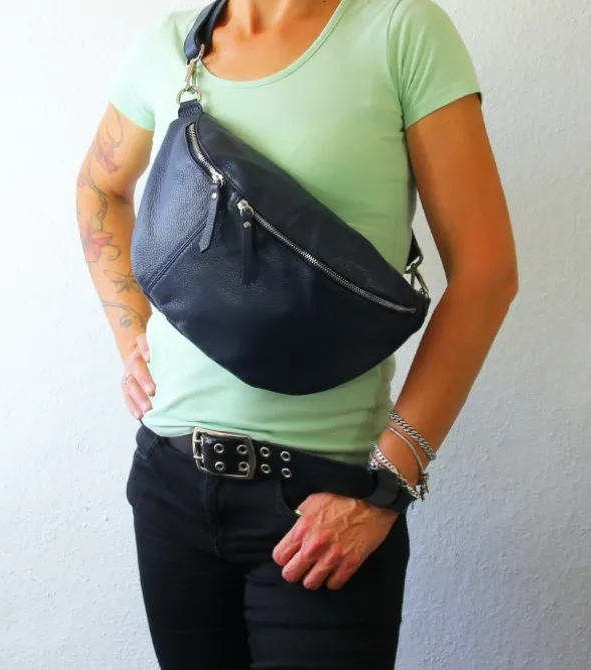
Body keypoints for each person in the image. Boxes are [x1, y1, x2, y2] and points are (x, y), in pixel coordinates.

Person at [75, 0, 518, 668]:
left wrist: (386, 486)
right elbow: (99, 188)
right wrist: (129, 330)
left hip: (327, 500)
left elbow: (487, 275)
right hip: (170, 482)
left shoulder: (401, 31)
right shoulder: (171, 45)